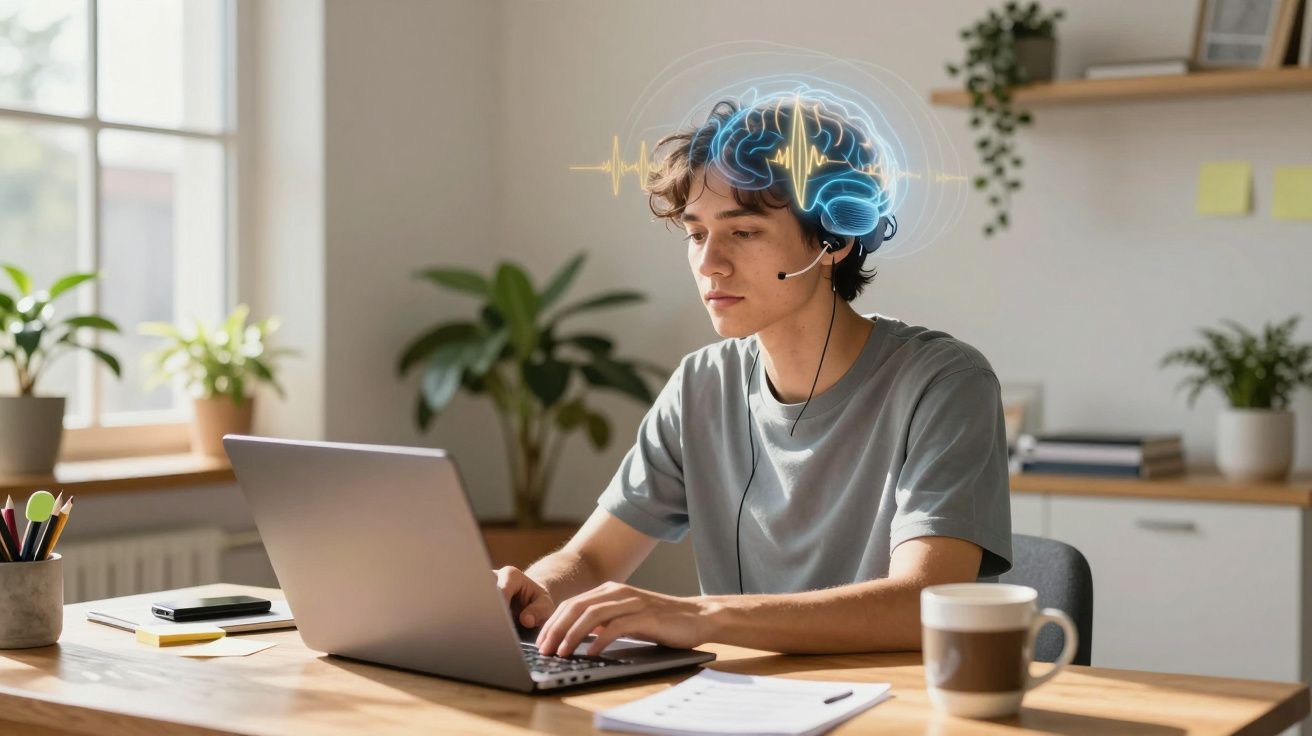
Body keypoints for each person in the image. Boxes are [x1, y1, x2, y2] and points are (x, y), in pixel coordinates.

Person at [495, 94, 1011, 659]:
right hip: (736, 705)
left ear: (834, 240)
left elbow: (922, 602)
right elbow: (593, 559)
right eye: (696, 234)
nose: (710, 263)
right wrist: (534, 590)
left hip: (893, 708)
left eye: (743, 233)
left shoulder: (944, 383)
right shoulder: (701, 386)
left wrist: (698, 615)